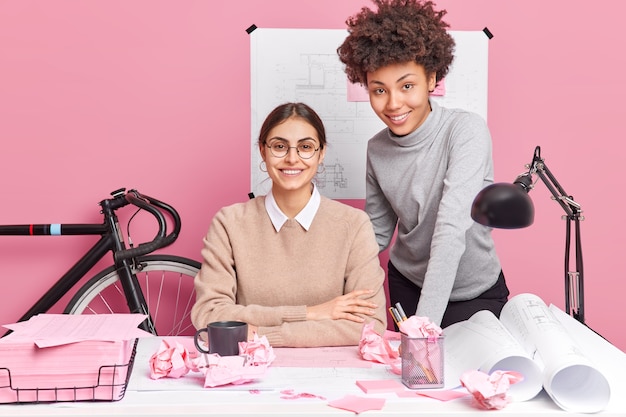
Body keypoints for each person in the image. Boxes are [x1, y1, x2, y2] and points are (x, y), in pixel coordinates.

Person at [337, 0, 509, 328]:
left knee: (464, 375)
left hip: (472, 291)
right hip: (407, 283)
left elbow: (449, 229)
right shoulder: (377, 148)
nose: (393, 103)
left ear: (431, 78)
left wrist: (424, 324)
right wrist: (330, 279)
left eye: (406, 86)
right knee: (413, 376)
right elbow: (378, 230)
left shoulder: (465, 131)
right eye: (379, 90)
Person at [191, 102, 387, 347]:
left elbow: (370, 323)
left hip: (331, 373)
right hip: (247, 373)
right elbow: (209, 314)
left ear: (321, 153)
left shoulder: (353, 224)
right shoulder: (229, 223)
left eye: (305, 147)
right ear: (263, 151)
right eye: (279, 147)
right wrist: (310, 313)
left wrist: (263, 335)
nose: (292, 158)